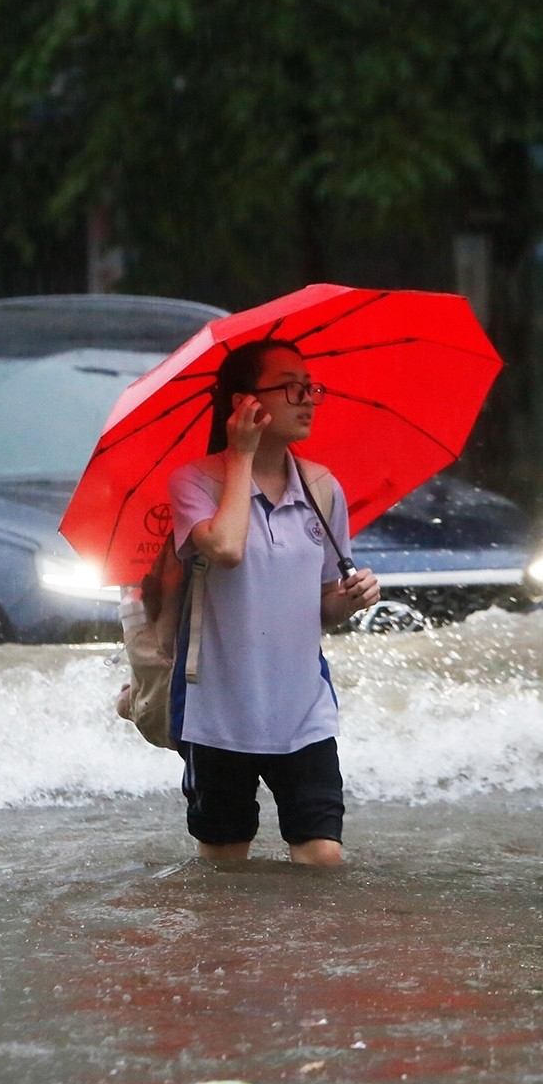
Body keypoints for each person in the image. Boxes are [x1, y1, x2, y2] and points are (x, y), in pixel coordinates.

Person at [166, 339, 381, 866]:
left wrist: (350, 599)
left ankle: (301, 952)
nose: (309, 398)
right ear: (246, 401)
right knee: (224, 867)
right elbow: (226, 549)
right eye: (292, 387)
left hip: (302, 707)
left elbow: (325, 600)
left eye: (312, 387)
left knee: (323, 859)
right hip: (219, 709)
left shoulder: (322, 488)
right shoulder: (194, 481)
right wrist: (241, 454)